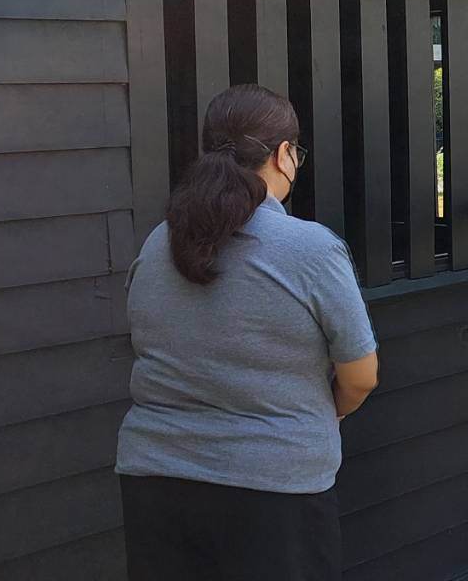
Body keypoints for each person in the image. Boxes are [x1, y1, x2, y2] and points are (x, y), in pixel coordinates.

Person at [116, 85, 379, 581]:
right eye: (295, 153)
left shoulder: (159, 240)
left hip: (156, 480)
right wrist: (328, 411)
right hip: (274, 490)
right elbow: (361, 374)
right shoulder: (309, 248)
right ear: (284, 155)